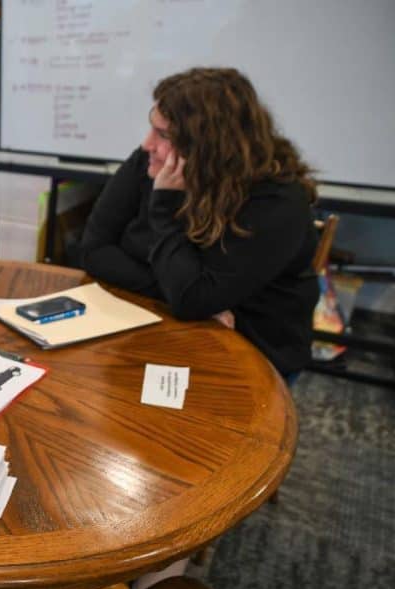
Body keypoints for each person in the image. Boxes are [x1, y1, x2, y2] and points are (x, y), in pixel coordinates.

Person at [80, 67, 319, 379]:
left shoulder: (277, 201)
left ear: (209, 148)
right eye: (153, 129)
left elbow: (191, 299)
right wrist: (175, 289)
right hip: (158, 323)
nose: (146, 144)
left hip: (253, 350)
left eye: (164, 135)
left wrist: (165, 208)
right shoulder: (151, 160)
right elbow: (94, 249)